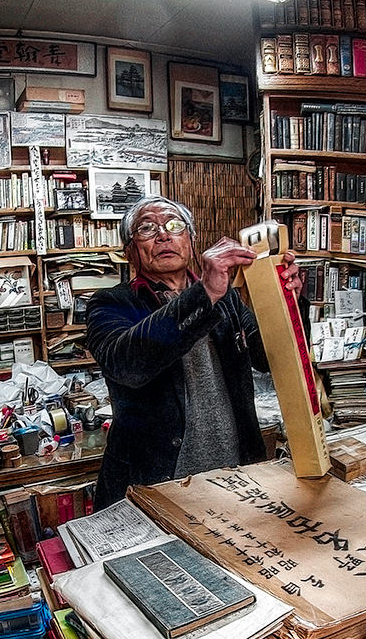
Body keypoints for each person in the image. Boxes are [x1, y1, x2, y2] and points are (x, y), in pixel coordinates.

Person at [86, 195, 303, 509]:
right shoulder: (110, 303)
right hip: (155, 482)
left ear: (190, 240)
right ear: (129, 251)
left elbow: (269, 357)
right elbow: (128, 366)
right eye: (147, 229)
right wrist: (204, 293)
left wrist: (288, 302)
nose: (164, 235)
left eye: (175, 226)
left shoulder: (226, 298)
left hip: (234, 472)